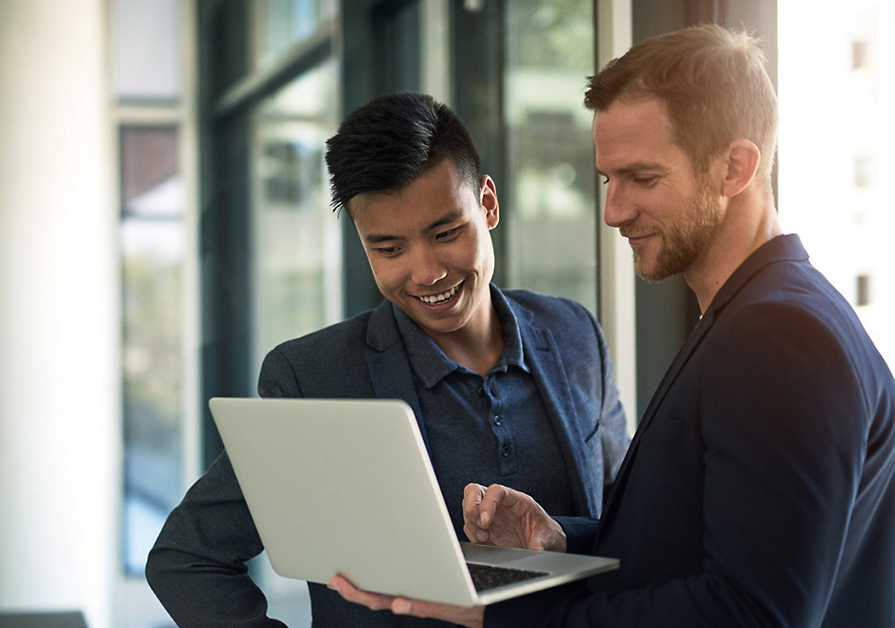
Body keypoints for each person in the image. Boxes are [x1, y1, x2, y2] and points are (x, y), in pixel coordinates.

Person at [330, 23, 895, 628]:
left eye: (642, 179)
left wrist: (499, 618)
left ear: (735, 168)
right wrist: (562, 541)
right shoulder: (757, 316)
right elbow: (701, 548)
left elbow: (750, 614)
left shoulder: (777, 336)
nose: (613, 211)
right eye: (607, 179)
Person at [146, 92, 631, 627]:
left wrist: (560, 536)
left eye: (445, 233)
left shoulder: (574, 333)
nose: (425, 272)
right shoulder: (315, 379)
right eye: (389, 249)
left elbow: (629, 526)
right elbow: (187, 557)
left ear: (488, 204)